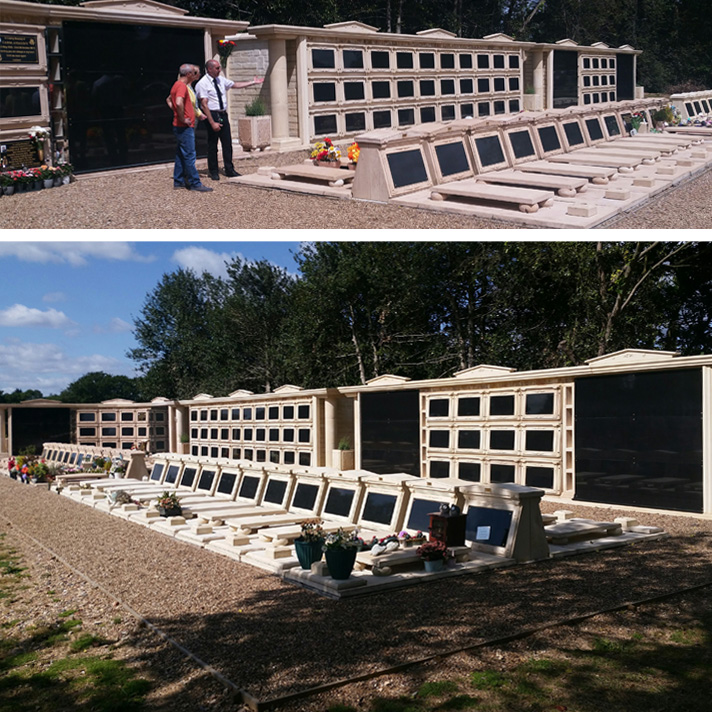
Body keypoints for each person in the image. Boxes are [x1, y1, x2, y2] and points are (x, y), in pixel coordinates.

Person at [195, 59, 264, 180]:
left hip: (222, 114)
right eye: (217, 68)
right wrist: (212, 122)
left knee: (227, 143)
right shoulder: (202, 83)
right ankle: (214, 171)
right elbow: (204, 104)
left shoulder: (220, 79)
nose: (219, 70)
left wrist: (253, 82)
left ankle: (229, 169)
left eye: (219, 67)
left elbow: (234, 85)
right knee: (213, 144)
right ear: (209, 69)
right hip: (212, 114)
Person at [170, 63, 212, 192]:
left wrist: (178, 113)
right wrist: (182, 118)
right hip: (184, 126)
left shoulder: (176, 85)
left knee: (181, 154)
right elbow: (178, 102)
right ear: (188, 74)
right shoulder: (182, 86)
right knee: (189, 155)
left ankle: (178, 181)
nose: (196, 75)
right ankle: (195, 183)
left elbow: (169, 100)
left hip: (180, 125)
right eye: (194, 73)